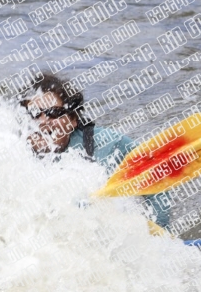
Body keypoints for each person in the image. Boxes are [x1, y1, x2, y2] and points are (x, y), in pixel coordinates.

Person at [21, 74, 172, 228]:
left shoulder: (109, 144)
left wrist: (157, 232)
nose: (43, 121)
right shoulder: (11, 155)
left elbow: (156, 176)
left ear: (73, 120)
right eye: (34, 113)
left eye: (53, 113)